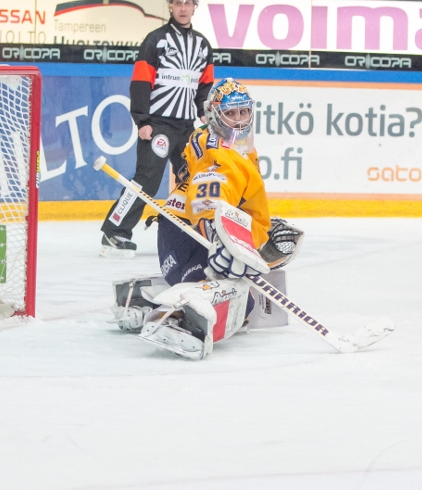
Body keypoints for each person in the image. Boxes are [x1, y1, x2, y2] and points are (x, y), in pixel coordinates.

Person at [110, 79, 302, 359]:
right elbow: (209, 189)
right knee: (243, 300)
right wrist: (219, 236)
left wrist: (255, 236)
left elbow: (235, 199)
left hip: (189, 236)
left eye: (243, 112)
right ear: (214, 114)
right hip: (189, 237)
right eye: (230, 113)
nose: (238, 120)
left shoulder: (239, 146)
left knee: (232, 285)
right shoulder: (217, 149)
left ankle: (143, 297)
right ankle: (181, 320)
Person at [99, 0, 214, 258]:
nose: (183, 8)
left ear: (195, 6)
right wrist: (143, 120)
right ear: (170, 6)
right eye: (178, 2)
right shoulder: (155, 40)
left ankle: (195, 232)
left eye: (188, 2)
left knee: (195, 179)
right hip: (159, 124)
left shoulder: (202, 45)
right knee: (147, 180)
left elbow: (204, 86)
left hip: (187, 128)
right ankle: (114, 232)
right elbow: (140, 81)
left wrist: (205, 118)